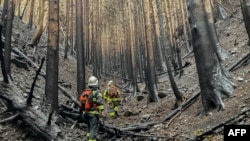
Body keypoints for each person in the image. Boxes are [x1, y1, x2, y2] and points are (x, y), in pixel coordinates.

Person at [79, 76, 104, 141]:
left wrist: (81, 112)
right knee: (94, 127)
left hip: (85, 113)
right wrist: (102, 111)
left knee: (89, 126)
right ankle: (92, 139)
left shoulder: (85, 92)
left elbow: (81, 104)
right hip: (93, 114)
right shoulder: (97, 92)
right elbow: (100, 103)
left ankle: (88, 137)